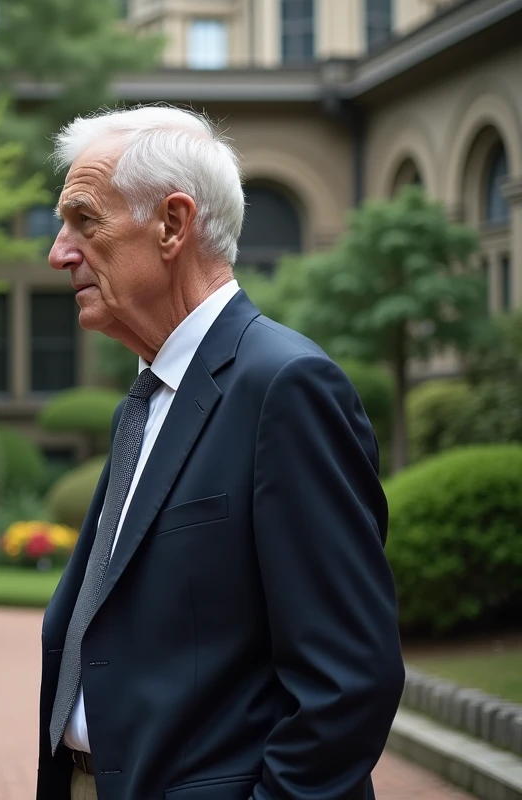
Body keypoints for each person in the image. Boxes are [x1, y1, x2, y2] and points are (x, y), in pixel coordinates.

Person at [37, 105, 405, 800]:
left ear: (173, 225)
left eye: (86, 221)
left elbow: (349, 681)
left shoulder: (285, 387)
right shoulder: (142, 403)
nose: (59, 252)